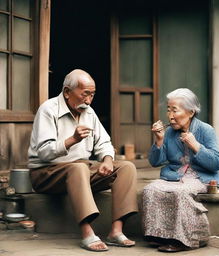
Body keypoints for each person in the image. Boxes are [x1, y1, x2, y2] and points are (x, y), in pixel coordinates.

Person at [28, 69, 138, 252]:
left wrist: (108, 160)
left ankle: (116, 231)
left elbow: (104, 142)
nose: (88, 100)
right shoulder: (48, 109)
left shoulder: (88, 112)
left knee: (126, 167)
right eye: (85, 94)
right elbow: (43, 153)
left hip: (80, 171)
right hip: (46, 173)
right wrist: (73, 140)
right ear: (66, 92)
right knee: (78, 168)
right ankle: (87, 233)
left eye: (92, 95)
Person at [142, 88, 219, 252]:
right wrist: (159, 140)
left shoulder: (206, 130)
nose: (170, 115)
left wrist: (196, 146)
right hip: (175, 176)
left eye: (175, 110)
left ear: (191, 112)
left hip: (201, 178)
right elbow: (155, 161)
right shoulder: (170, 133)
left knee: (181, 193)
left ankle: (189, 238)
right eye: (168, 110)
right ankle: (159, 235)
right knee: (150, 189)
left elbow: (217, 163)